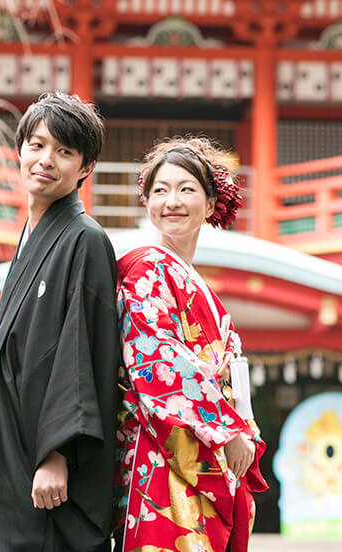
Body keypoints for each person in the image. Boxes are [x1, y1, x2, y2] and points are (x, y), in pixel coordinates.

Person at [0, 92, 119, 552]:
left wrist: (57, 454)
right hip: (7, 441)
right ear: (19, 149)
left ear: (85, 168)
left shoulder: (85, 239)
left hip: (42, 459)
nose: (46, 160)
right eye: (37, 145)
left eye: (64, 152)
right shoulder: (32, 235)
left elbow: (80, 352)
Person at [114, 136, 267, 552]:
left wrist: (244, 432)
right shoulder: (145, 268)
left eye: (186, 189)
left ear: (212, 201)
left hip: (200, 445)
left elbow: (233, 375)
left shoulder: (190, 279)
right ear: (146, 202)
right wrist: (225, 431)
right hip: (162, 449)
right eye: (160, 190)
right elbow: (159, 359)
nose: (172, 201)